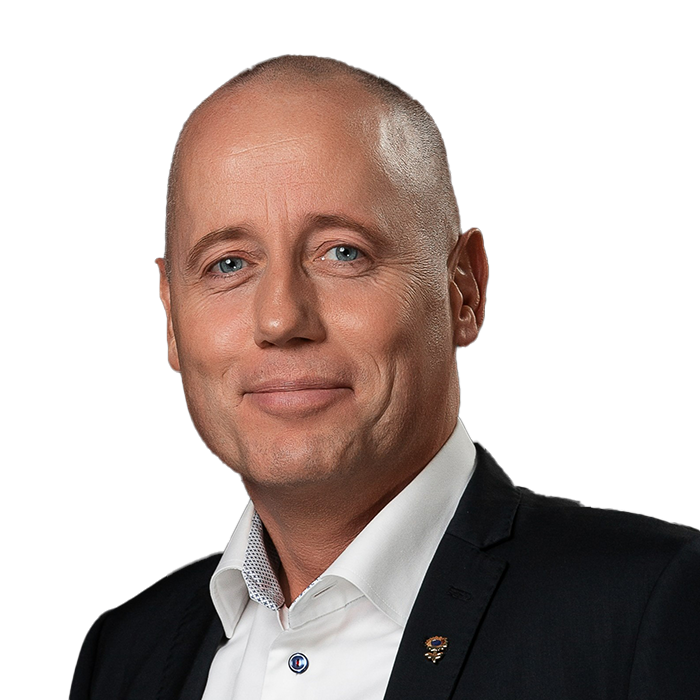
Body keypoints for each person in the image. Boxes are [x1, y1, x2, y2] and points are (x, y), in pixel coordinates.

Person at [70, 55, 700, 700]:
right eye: (228, 264)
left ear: (463, 291)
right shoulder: (122, 660)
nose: (281, 318)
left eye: (344, 252)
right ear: (172, 317)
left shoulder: (657, 608)